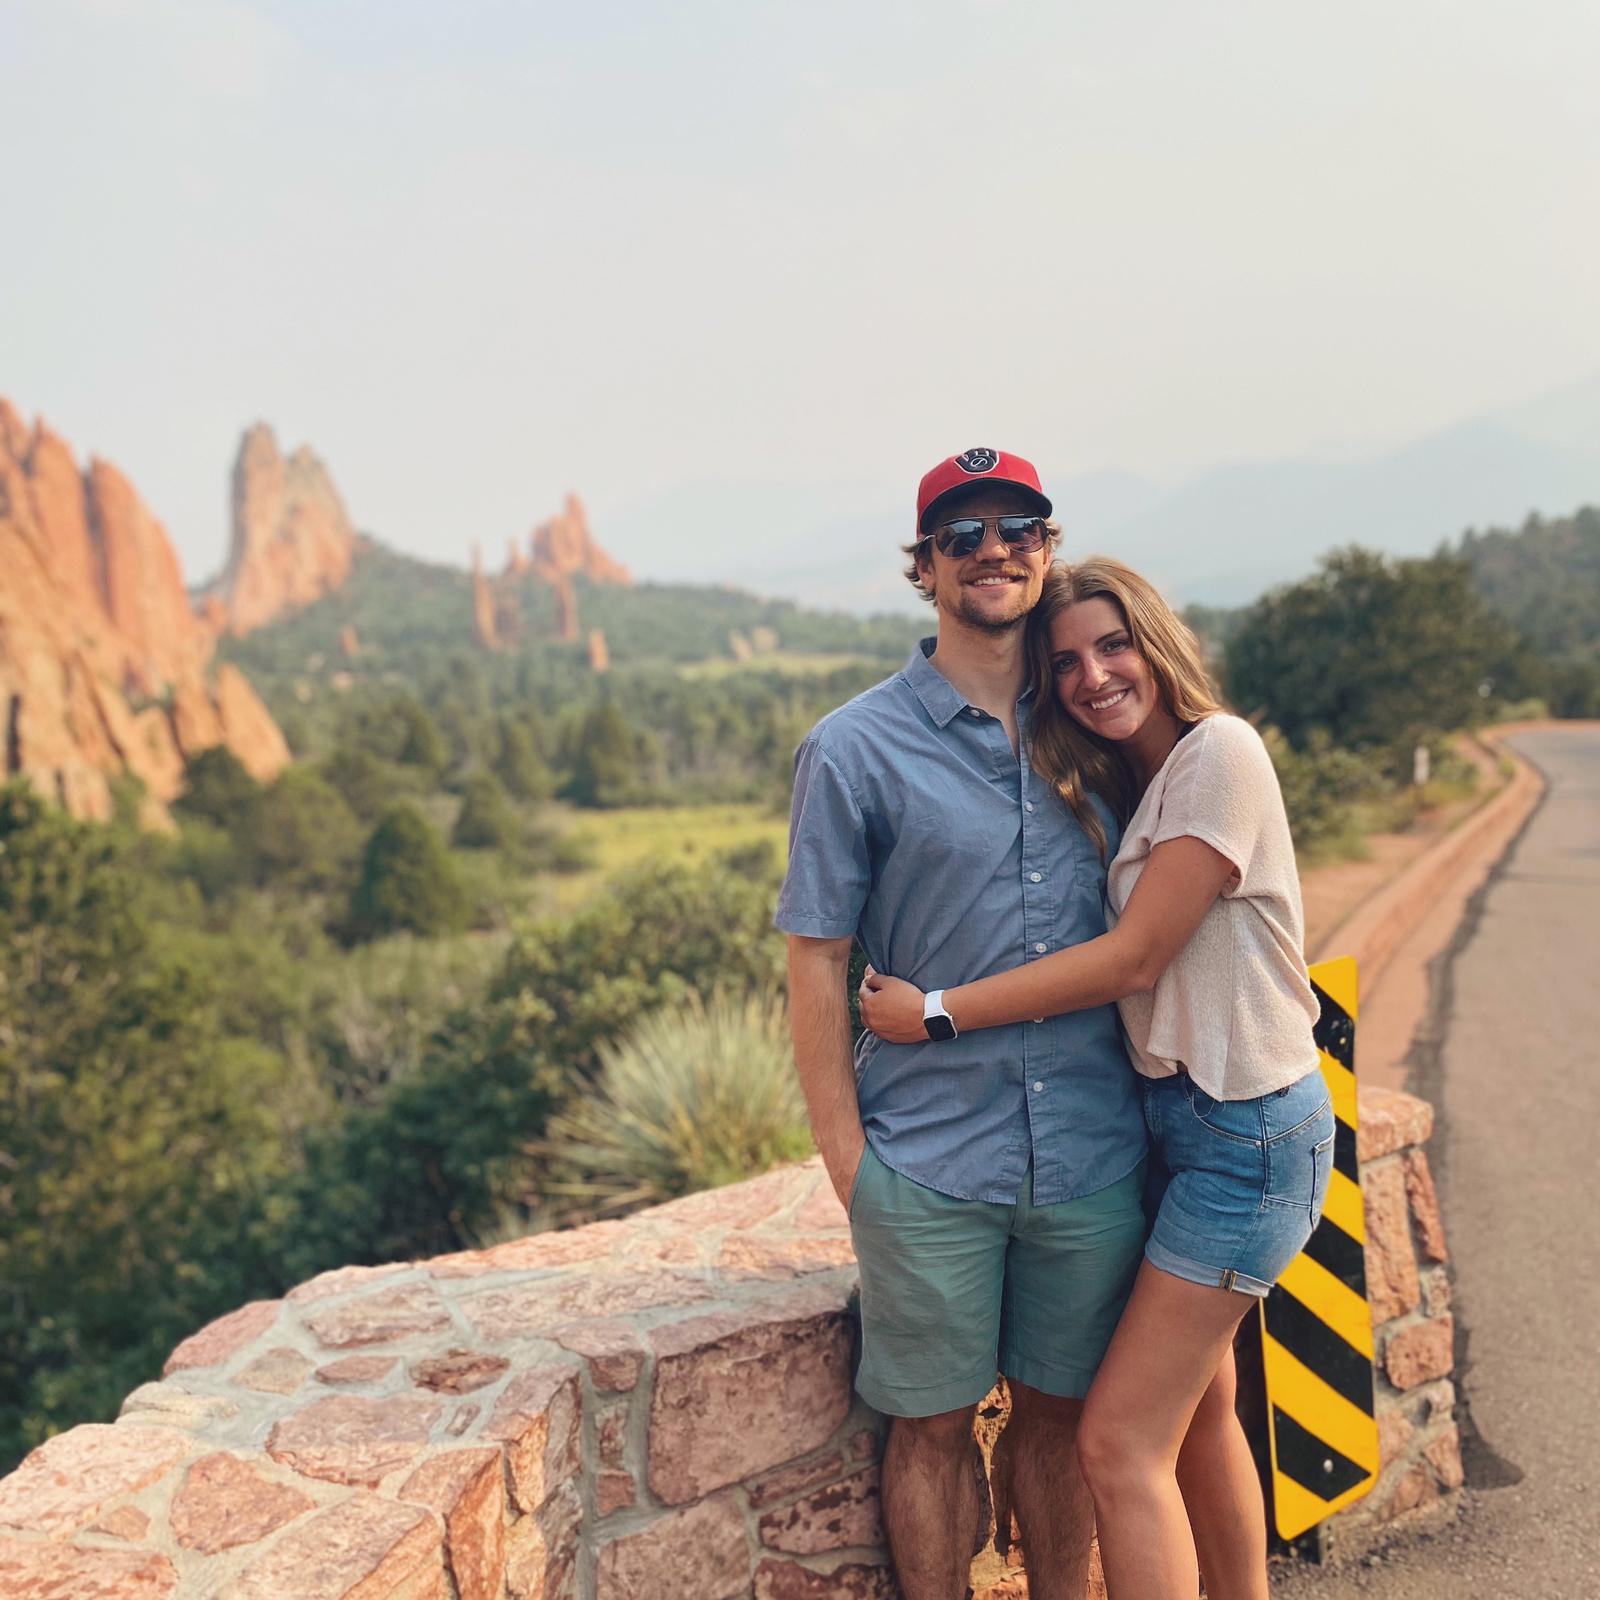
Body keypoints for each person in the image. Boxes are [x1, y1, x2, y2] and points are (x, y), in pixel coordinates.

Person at [860, 557, 1336, 1600]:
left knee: (1117, 1444)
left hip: (1246, 1137)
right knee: (1204, 1407)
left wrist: (936, 1009)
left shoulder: (1220, 754)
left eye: (1113, 645)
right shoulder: (1140, 778)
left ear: (1156, 642)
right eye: (1065, 660)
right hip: (1183, 1130)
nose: (1092, 674)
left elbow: (1130, 959)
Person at [776, 451, 1149, 1600]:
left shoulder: (1096, 721)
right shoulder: (853, 746)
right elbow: (816, 960)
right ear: (927, 566)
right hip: (928, 1157)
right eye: (963, 533)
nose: (994, 548)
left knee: (1061, 1421)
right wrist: (849, 1163)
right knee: (929, 1429)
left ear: (1046, 547)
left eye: (1019, 527)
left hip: (1089, 1146)